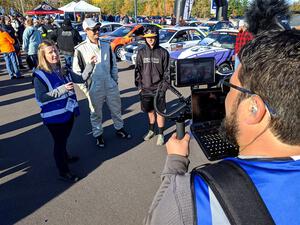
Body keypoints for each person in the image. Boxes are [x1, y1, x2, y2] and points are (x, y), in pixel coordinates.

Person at [144, 29, 300, 224]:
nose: (225, 95)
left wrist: (175, 164)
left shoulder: (194, 197)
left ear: (253, 108)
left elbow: (155, 218)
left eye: (230, 86)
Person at [33, 40, 96, 183]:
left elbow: (81, 78)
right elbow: (41, 98)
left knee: (64, 139)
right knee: (59, 143)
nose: (54, 54)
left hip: (68, 113)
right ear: (43, 55)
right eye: (50, 52)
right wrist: (61, 90)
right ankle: (63, 171)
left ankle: (65, 157)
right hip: (54, 117)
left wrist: (90, 65)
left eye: (55, 50)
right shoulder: (39, 75)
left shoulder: (63, 68)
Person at [73, 18, 131, 148]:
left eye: (98, 29)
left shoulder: (106, 44)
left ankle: (119, 128)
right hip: (94, 86)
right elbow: (77, 74)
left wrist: (114, 81)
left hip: (109, 83)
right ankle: (98, 135)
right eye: (93, 29)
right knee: (95, 113)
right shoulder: (80, 49)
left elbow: (113, 65)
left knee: (116, 108)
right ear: (86, 30)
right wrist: (86, 90)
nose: (97, 31)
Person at [135, 27, 170, 146]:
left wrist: (163, 88)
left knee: (160, 112)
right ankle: (151, 130)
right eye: (148, 37)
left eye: (153, 37)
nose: (151, 40)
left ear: (156, 37)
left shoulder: (163, 52)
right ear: (145, 38)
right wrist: (139, 87)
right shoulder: (141, 52)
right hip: (145, 88)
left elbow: (167, 72)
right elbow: (137, 71)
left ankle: (160, 134)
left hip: (159, 89)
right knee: (150, 111)